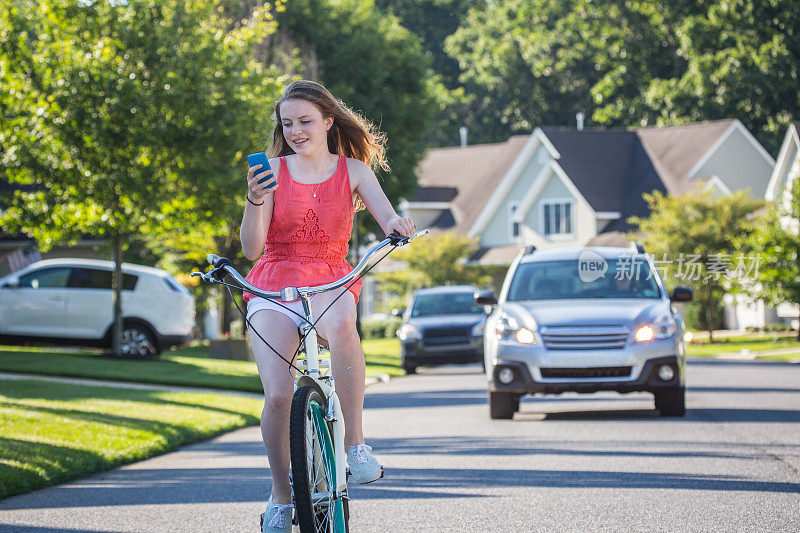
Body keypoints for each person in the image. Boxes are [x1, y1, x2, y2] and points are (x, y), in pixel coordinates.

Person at [239, 80, 416, 533]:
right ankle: (281, 496)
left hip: (330, 276)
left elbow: (387, 216)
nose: (296, 130)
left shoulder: (354, 171)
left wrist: (399, 224)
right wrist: (255, 199)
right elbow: (251, 249)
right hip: (275, 281)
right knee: (278, 395)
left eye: (305, 121)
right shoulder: (272, 171)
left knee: (341, 324)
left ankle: (355, 445)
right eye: (287, 123)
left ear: (328, 121)